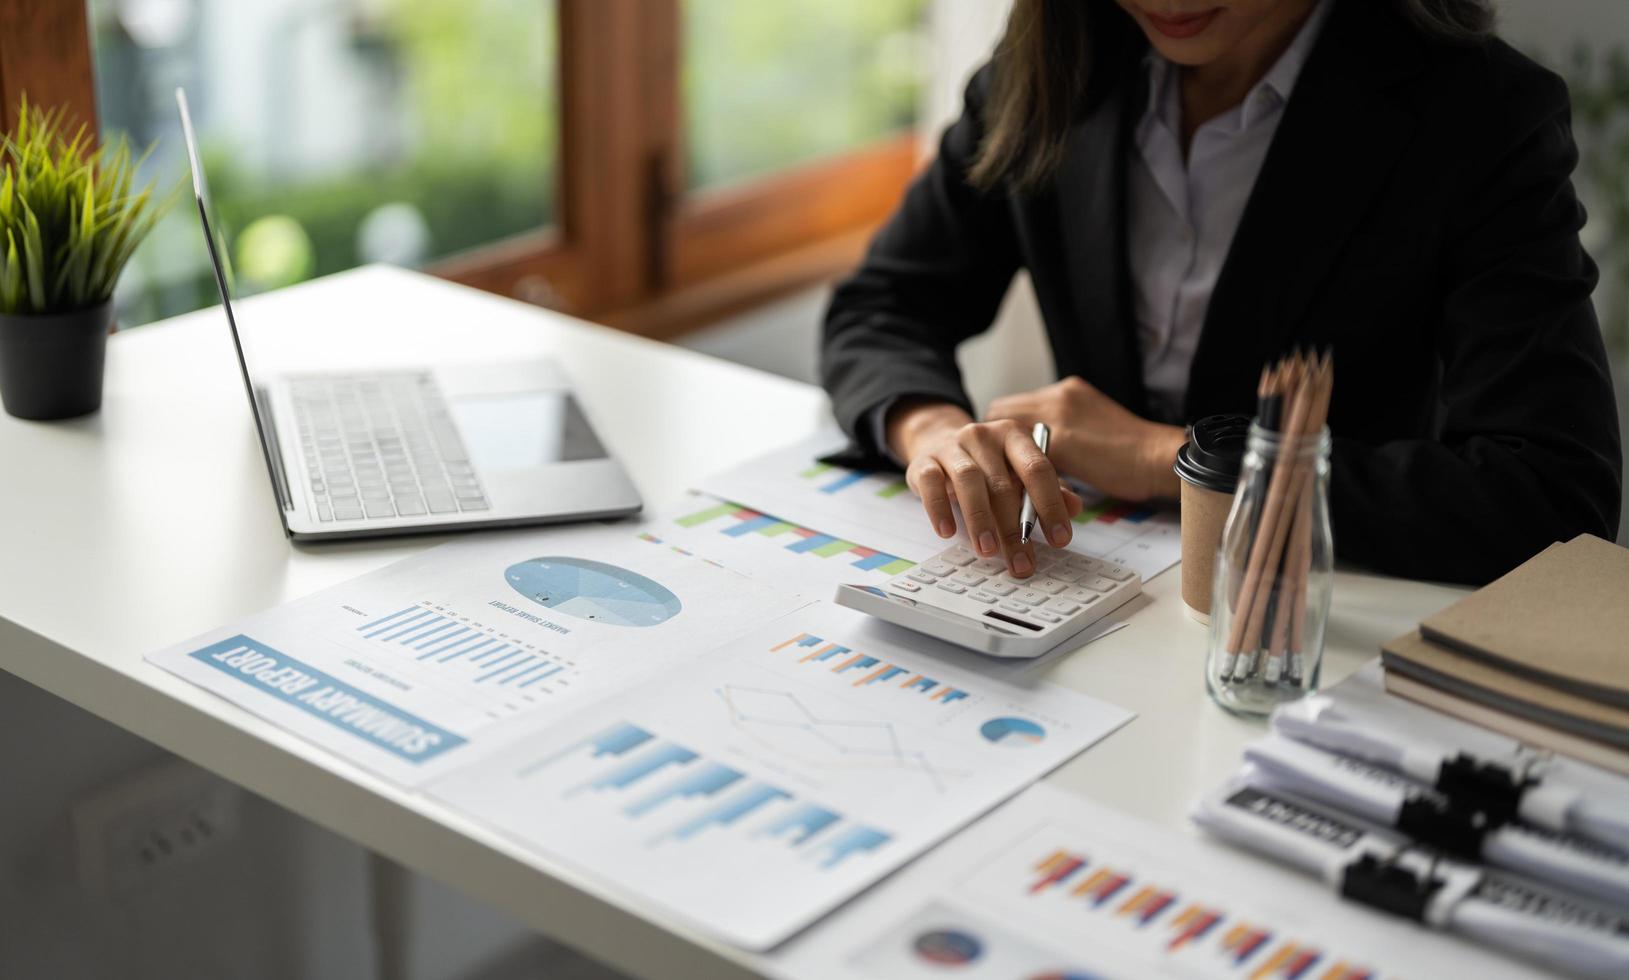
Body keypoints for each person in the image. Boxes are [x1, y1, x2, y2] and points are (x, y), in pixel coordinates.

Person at [820, 0, 1623, 585]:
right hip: (1085, 595)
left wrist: (1167, 458)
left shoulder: (1477, 113)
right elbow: (883, 303)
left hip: (1321, 621)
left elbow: (1551, 494)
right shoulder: (1054, 57)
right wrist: (931, 429)